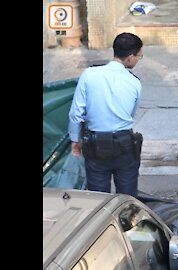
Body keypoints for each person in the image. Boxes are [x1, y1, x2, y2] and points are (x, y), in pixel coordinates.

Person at [68, 32, 144, 197]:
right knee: (127, 199)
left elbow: (76, 113)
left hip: (95, 146)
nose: (138, 59)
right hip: (125, 146)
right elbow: (130, 114)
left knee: (98, 200)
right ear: (130, 57)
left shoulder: (89, 74)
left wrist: (75, 141)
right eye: (139, 56)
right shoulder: (134, 83)